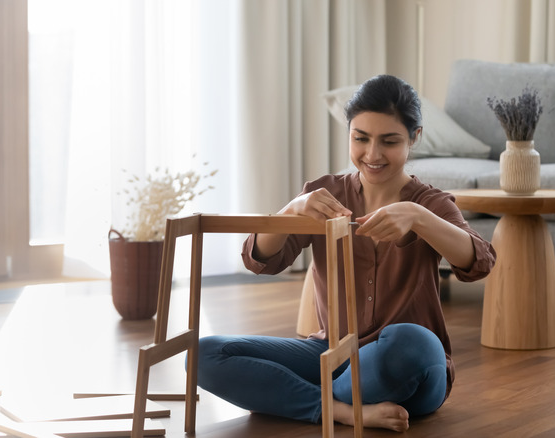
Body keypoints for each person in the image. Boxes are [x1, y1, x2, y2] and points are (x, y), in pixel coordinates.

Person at [196, 74, 496, 432]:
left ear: (414, 138)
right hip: (330, 354)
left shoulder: (429, 203)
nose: (372, 154)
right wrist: (292, 210)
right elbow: (259, 259)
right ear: (349, 133)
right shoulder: (324, 193)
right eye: (361, 138)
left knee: (411, 342)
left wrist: (418, 218)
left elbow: (478, 262)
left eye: (389, 141)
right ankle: (339, 409)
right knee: (204, 353)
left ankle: (297, 397)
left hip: (406, 364)